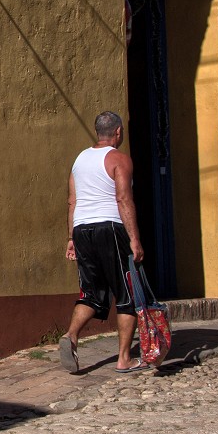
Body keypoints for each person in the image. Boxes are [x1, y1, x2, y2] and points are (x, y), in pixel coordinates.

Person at [60, 111, 146, 374]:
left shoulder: (79, 160)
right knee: (126, 293)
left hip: (83, 229)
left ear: (98, 131)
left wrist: (71, 238)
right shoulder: (119, 159)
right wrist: (135, 239)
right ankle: (123, 358)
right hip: (110, 228)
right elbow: (123, 199)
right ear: (118, 132)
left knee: (92, 293)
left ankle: (71, 335)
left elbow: (72, 201)